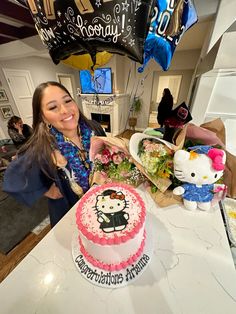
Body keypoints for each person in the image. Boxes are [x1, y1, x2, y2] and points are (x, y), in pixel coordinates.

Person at [3, 81, 106, 227]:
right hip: (73, 216)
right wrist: (46, 190)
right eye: (53, 107)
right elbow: (14, 178)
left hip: (105, 202)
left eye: (67, 100)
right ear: (43, 117)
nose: (65, 110)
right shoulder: (43, 148)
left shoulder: (94, 128)